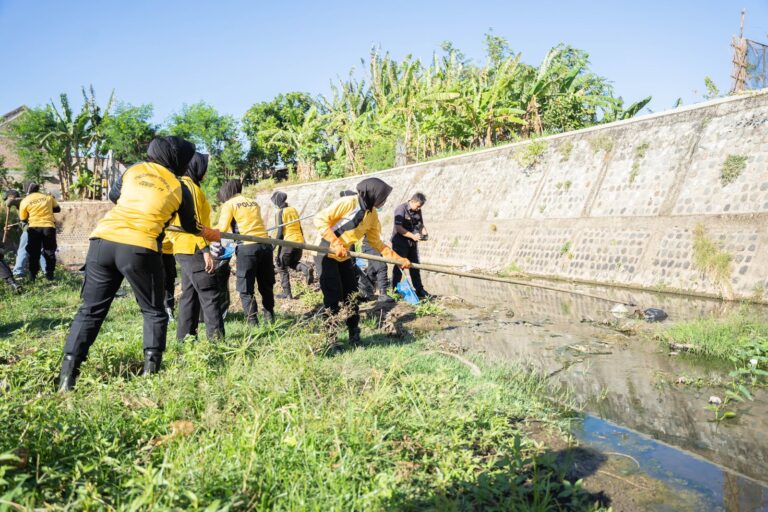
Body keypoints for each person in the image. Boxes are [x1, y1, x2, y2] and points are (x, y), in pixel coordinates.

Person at [58, 136, 220, 391]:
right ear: (177, 160)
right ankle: (150, 375)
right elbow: (190, 226)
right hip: (139, 247)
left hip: (102, 241)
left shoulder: (133, 170)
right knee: (154, 312)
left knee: (90, 311)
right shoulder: (179, 187)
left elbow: (114, 196)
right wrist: (210, 233)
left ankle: (67, 378)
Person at [313, 177, 411, 345]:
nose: (384, 201)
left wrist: (398, 259)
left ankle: (354, 335)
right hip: (326, 252)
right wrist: (335, 243)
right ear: (373, 194)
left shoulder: (372, 215)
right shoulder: (348, 202)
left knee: (351, 296)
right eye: (383, 197)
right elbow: (320, 220)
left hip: (344, 256)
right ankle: (331, 339)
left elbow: (377, 243)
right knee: (332, 297)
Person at [167, 153, 225, 342]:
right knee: (210, 294)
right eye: (205, 166)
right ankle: (217, 342)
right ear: (197, 166)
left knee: (189, 295)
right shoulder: (189, 187)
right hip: (194, 247)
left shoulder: (180, 185)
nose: (206, 171)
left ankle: (185, 339)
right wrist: (205, 250)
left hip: (184, 248)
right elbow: (196, 223)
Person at [216, 179, 275, 325]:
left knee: (245, 288)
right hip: (266, 245)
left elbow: (222, 229)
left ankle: (253, 323)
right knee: (266, 285)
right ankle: (270, 319)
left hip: (247, 248)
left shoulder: (229, 204)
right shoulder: (253, 201)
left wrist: (205, 231)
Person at [271, 190, 314, 299]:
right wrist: (303, 240)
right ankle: (306, 269)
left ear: (277, 202)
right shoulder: (293, 209)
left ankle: (287, 293)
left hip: (288, 241)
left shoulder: (279, 213)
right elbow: (299, 226)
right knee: (292, 262)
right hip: (299, 241)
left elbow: (280, 232)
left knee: (281, 266)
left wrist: (273, 246)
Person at [391, 192, 431, 298]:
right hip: (400, 242)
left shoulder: (418, 210)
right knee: (399, 266)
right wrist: (412, 236)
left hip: (412, 244)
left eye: (420, 207)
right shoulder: (401, 209)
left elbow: (421, 224)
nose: (418, 209)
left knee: (414, 266)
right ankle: (394, 290)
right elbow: (398, 228)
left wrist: (425, 233)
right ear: (412, 201)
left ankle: (419, 289)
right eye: (418, 206)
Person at [18, 183, 60, 282]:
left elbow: (23, 218)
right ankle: (50, 275)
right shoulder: (48, 197)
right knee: (49, 251)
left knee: (34, 253)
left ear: (28, 191)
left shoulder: (25, 201)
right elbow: (57, 209)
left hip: (34, 228)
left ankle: (33, 276)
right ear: (38, 189)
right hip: (49, 227)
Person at [4, 189, 47, 279]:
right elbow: (24, 221)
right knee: (41, 251)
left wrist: (9, 201)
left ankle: (18, 273)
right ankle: (47, 273)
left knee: (23, 250)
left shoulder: (24, 201)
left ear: (12, 197)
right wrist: (13, 226)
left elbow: (10, 201)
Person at [356, 235, 393, 303]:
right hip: (370, 244)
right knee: (382, 267)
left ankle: (367, 293)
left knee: (372, 270)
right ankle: (383, 294)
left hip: (374, 244)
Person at [161, 236, 176, 321]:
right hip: (154, 250)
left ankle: (169, 309)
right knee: (156, 283)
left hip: (169, 252)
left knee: (170, 283)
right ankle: (157, 311)